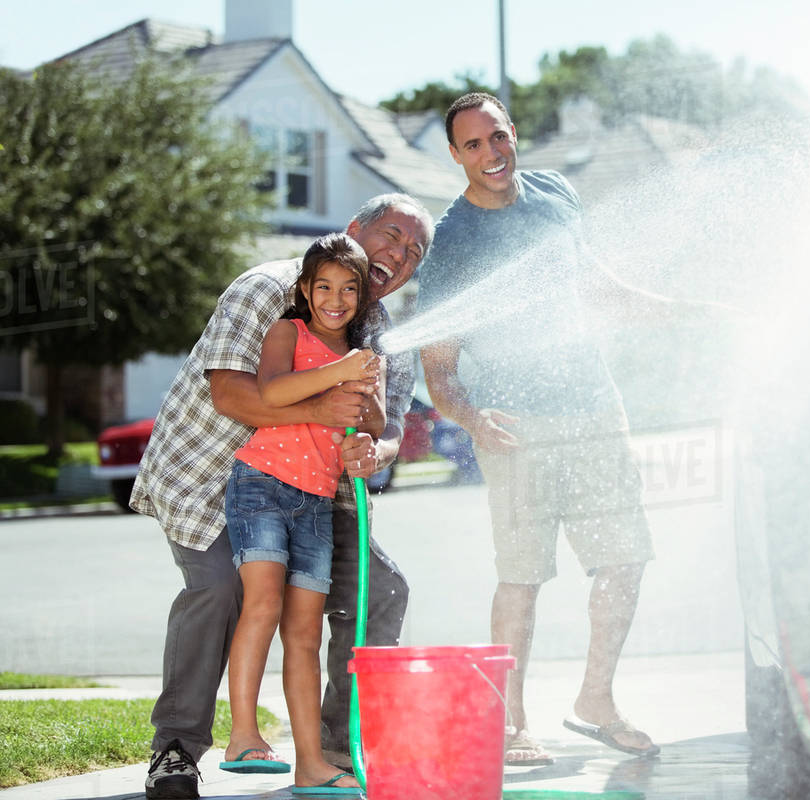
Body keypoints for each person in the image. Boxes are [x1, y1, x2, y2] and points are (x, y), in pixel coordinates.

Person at [131, 193, 433, 800]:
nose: (397, 255)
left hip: (312, 493)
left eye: (413, 252)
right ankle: (176, 750)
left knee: (380, 590)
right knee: (220, 588)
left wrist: (377, 451)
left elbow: (390, 428)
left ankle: (332, 748)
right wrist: (323, 405)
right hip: (210, 476)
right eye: (391, 235)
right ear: (354, 230)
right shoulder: (269, 289)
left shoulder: (383, 337)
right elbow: (233, 396)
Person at [418, 92, 661, 766]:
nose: (490, 154)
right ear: (455, 155)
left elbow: (594, 284)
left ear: (513, 133)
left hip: (595, 409)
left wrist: (676, 311)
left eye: (497, 137)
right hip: (516, 429)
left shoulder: (556, 192)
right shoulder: (453, 244)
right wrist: (469, 417)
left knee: (625, 559)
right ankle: (510, 723)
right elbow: (437, 366)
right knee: (522, 577)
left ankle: (596, 700)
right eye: (473, 145)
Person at [221, 233, 381, 792]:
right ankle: (243, 735)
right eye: (324, 287)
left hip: (315, 501)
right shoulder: (288, 332)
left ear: (362, 297)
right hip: (261, 486)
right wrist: (343, 372)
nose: (335, 299)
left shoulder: (360, 358)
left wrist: (363, 425)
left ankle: (311, 763)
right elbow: (272, 389)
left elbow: (375, 422)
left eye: (349, 289)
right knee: (262, 604)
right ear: (305, 292)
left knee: (306, 634)